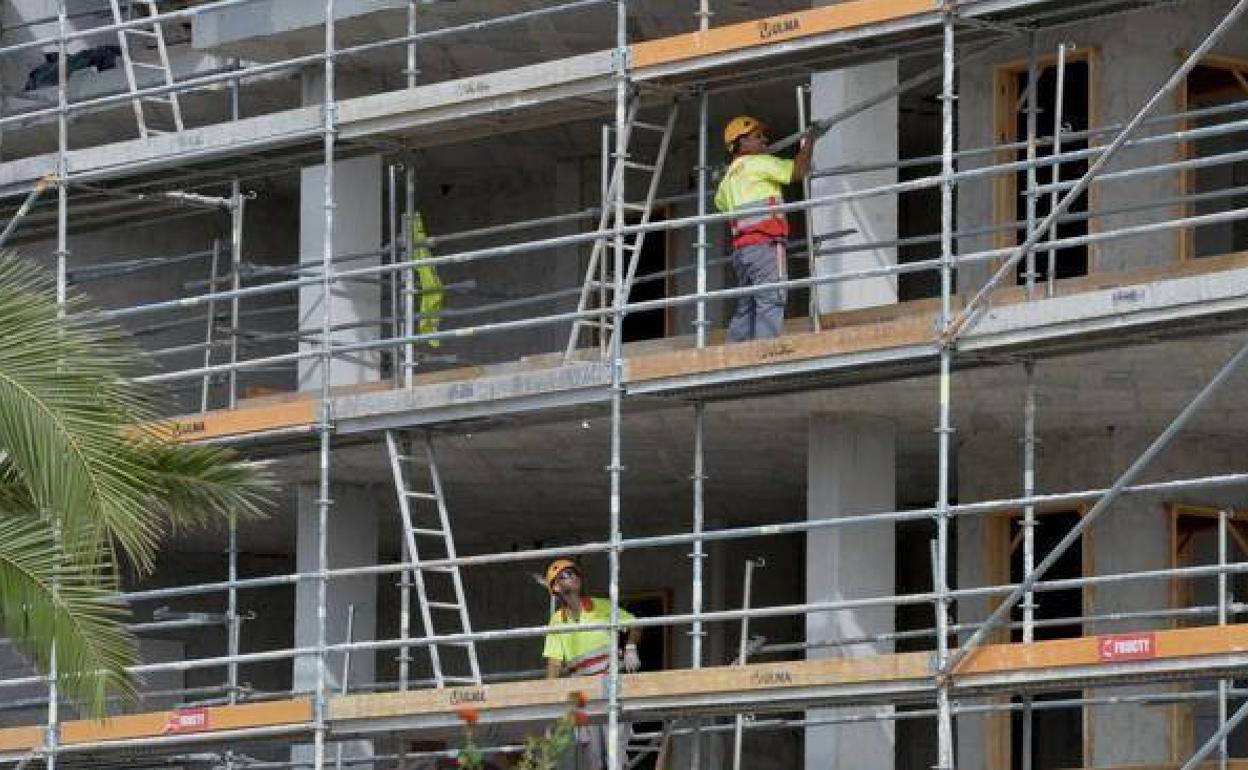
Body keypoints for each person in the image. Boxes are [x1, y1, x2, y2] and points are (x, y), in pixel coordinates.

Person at [714, 115, 814, 342]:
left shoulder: (727, 179)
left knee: (746, 305)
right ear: (741, 144)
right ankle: (765, 355)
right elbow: (798, 171)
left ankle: (736, 354)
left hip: (742, 253)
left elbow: (720, 204)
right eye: (757, 137)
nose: (765, 141)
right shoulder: (758, 163)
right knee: (771, 299)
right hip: (765, 246)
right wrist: (810, 141)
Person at [542, 558, 641, 770]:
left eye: (573, 573)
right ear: (556, 588)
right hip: (586, 695)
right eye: (564, 576)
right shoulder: (557, 620)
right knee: (594, 760)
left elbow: (635, 623)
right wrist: (549, 706)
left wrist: (631, 647)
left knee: (616, 757)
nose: (572, 577)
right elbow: (554, 663)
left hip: (612, 687)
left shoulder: (600, 606)